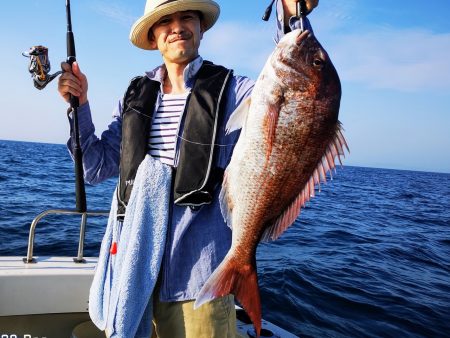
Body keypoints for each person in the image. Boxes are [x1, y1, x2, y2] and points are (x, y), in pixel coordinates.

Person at [58, 0, 318, 337]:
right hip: (132, 271)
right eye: (166, 21)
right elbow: (95, 167)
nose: (177, 27)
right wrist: (79, 106)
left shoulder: (235, 91)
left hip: (199, 279)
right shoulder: (134, 95)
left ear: (201, 29)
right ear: (153, 37)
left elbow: (293, 88)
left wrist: (292, 16)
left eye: (187, 17)